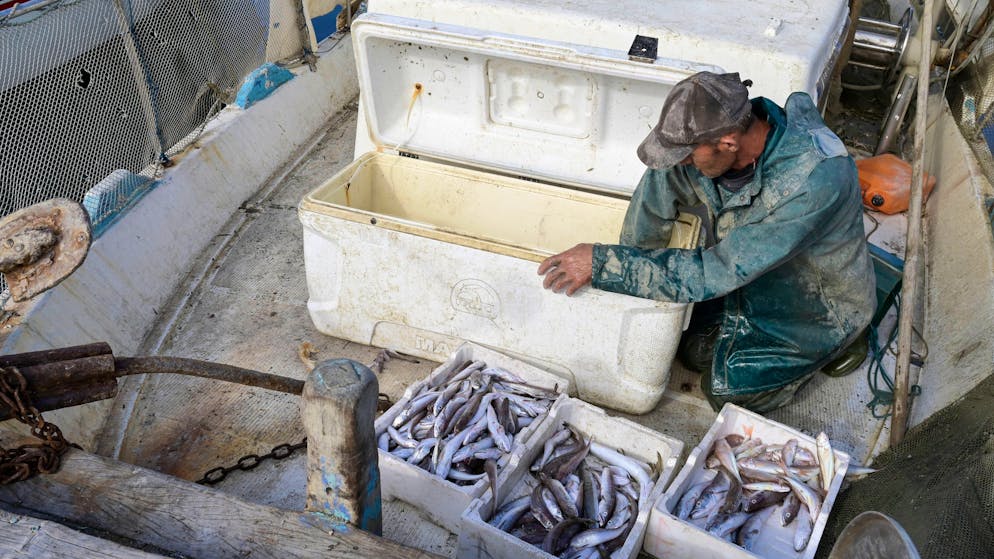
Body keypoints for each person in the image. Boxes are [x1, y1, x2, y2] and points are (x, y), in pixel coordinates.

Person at [537, 71, 876, 413]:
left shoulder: (814, 180)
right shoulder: (709, 141)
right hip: (748, 270)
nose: (681, 163)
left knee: (725, 391)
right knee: (687, 348)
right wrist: (626, 290)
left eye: (687, 155)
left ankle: (843, 341)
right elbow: (653, 203)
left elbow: (718, 269)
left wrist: (604, 264)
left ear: (728, 143)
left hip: (810, 306)